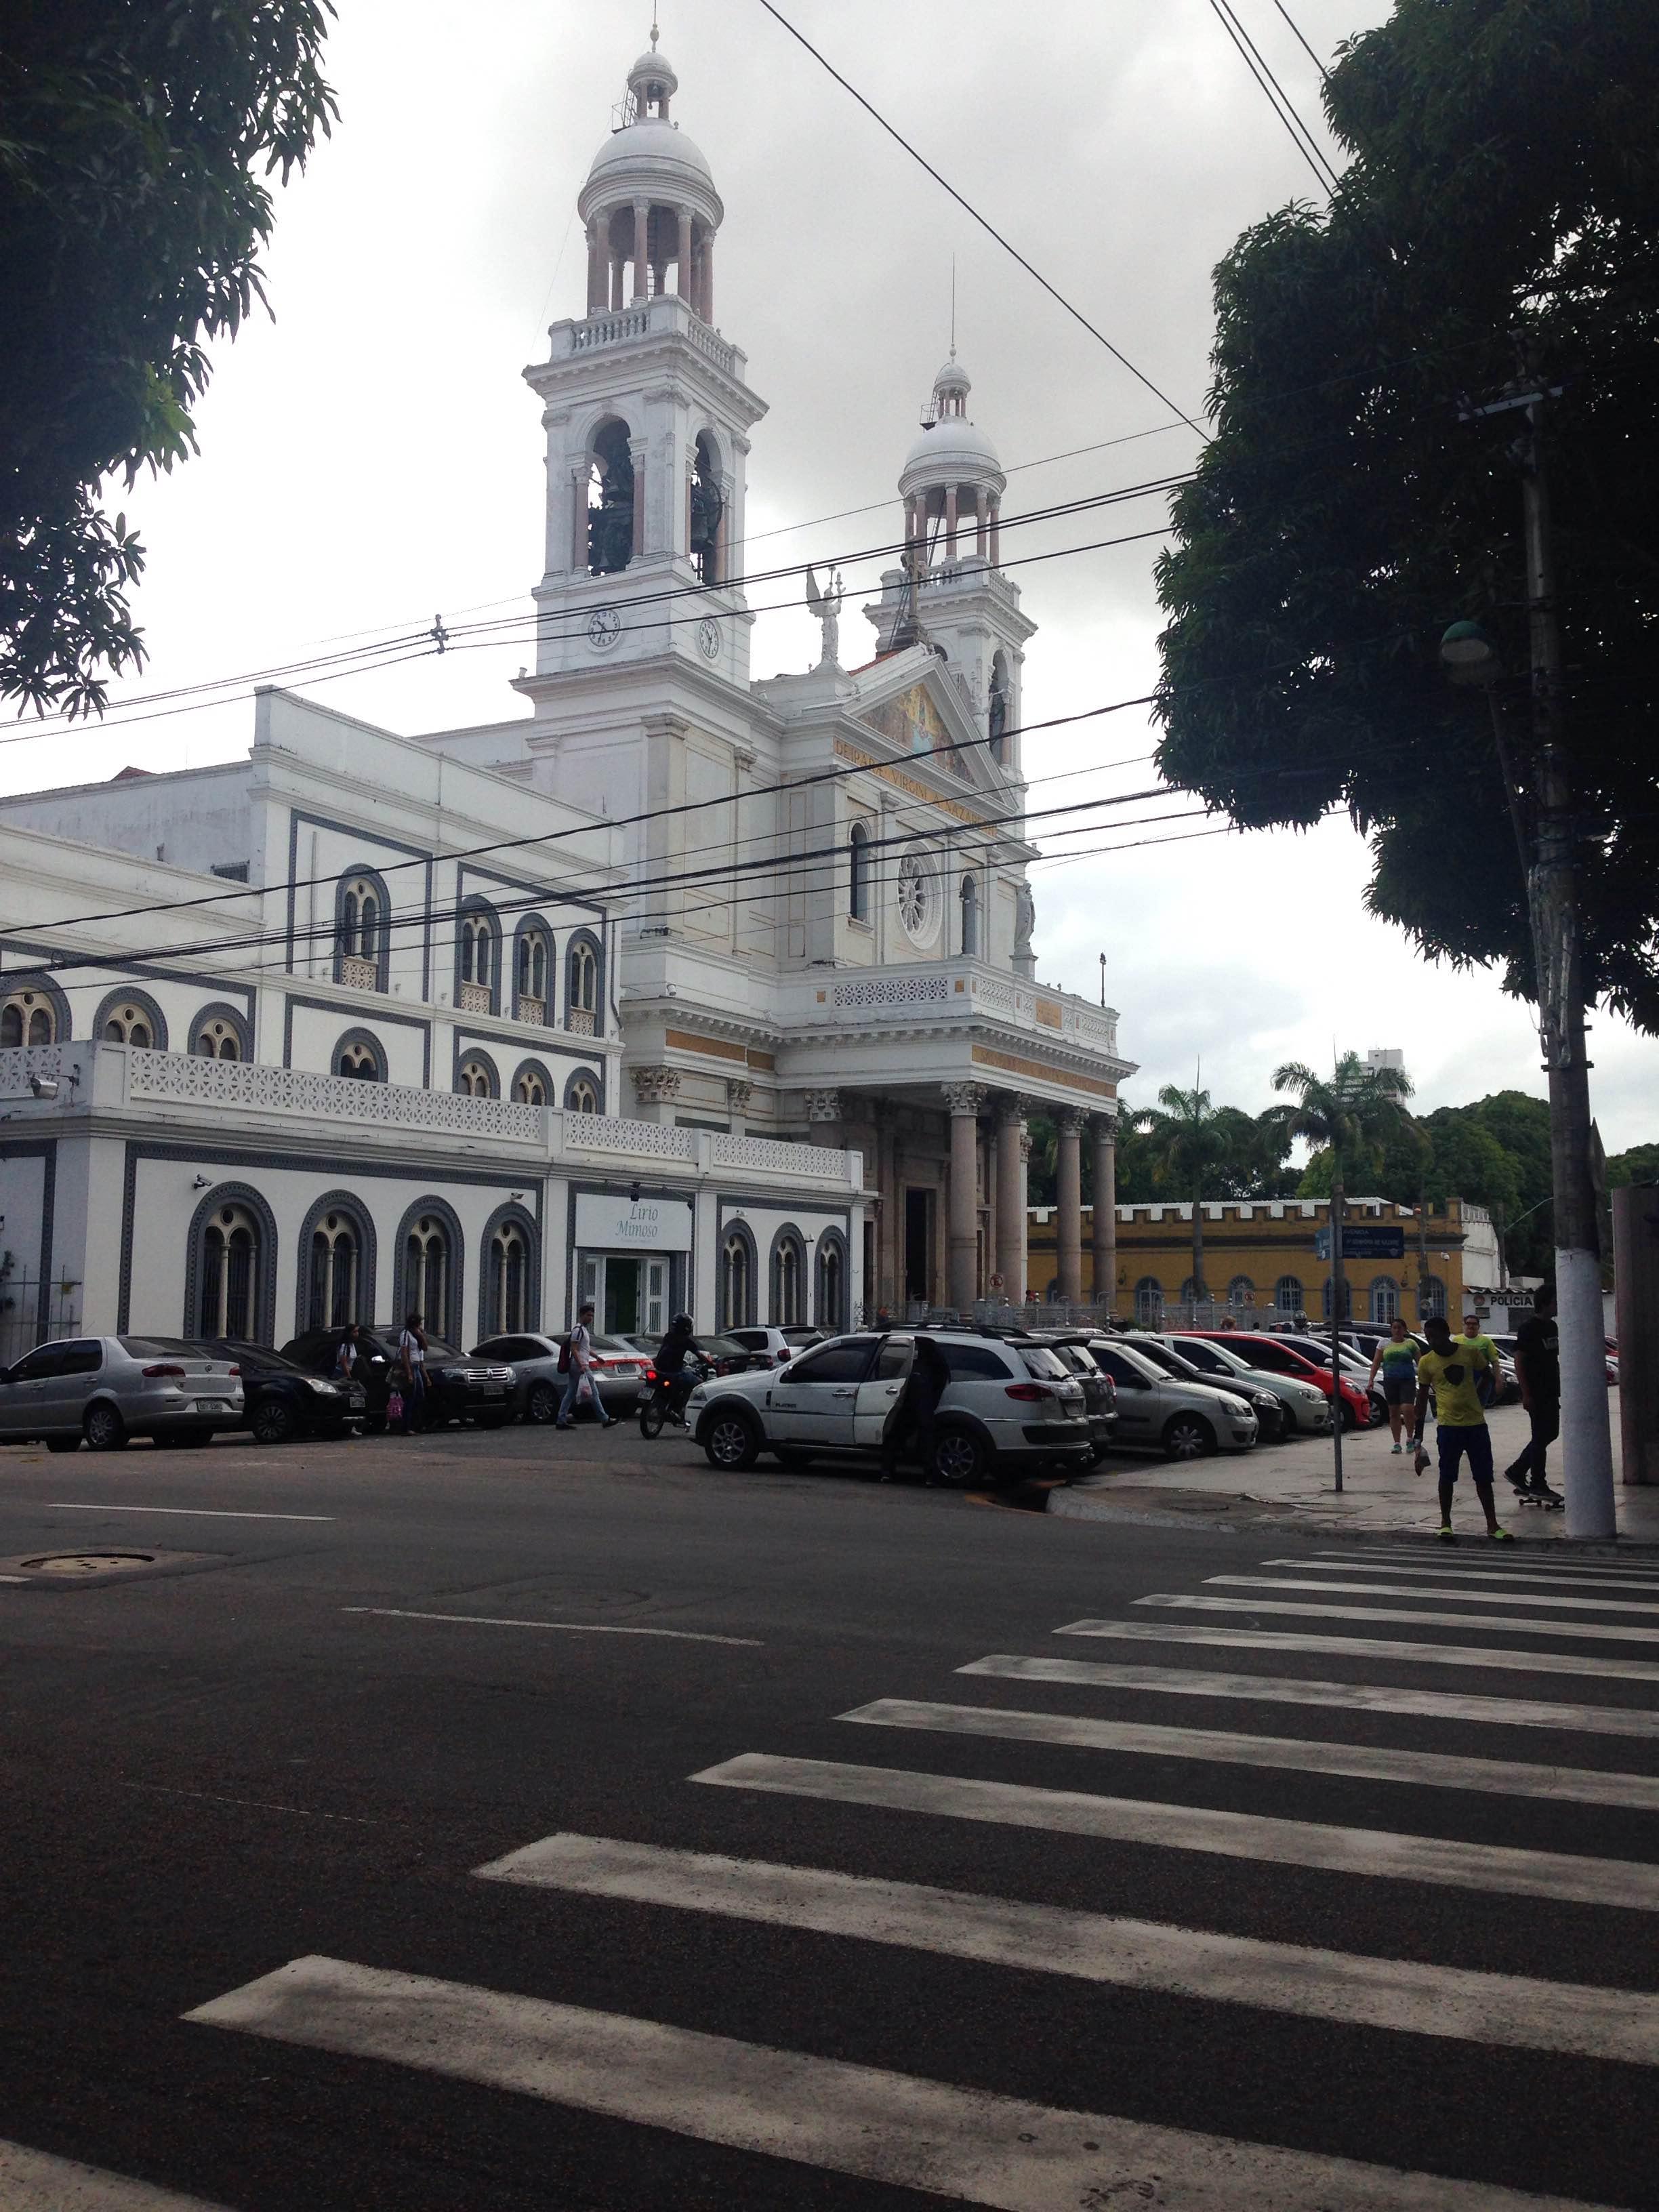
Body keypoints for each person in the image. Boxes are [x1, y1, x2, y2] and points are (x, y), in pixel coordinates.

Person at [1411, 1314, 1511, 1542]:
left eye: (1434, 1336)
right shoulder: (1427, 1363)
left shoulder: (1470, 1353)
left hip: (1475, 1425)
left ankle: (1492, 1524)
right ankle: (1445, 1523)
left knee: (1484, 1477)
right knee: (1447, 1476)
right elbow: (1422, 1398)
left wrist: (1480, 1397)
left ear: (1447, 1334)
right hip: (1448, 1427)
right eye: (1428, 1337)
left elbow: (1487, 1375)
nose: (1431, 1341)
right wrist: (1417, 1439)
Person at [1504, 1283, 1562, 1505]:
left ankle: (1518, 1470)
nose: (1558, 1305)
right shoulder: (1529, 1328)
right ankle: (1538, 1482)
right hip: (1536, 1391)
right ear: (1546, 1303)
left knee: (1549, 1433)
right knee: (1540, 1435)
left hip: (1550, 1389)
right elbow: (1519, 1361)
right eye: (1555, 1301)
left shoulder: (1552, 1327)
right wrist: (1526, 1393)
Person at [880, 1336, 949, 1482]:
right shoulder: (936, 1367)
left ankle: (888, 1472)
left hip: (909, 1409)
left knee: (894, 1437)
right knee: (925, 1442)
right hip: (923, 1409)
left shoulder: (917, 1367)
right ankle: (928, 1476)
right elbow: (939, 1387)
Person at [1366, 1317, 1420, 1453]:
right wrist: (1371, 1380)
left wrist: (1426, 1378)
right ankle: (1397, 1443)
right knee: (1394, 1412)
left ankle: (1409, 1438)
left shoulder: (1411, 1344)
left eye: (1400, 1328)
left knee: (1408, 1409)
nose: (1397, 1330)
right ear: (1391, 1329)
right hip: (1390, 1380)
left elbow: (1421, 1362)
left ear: (1404, 1330)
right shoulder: (1384, 1344)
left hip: (1407, 1380)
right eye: (1394, 1327)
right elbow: (1376, 1362)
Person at [558, 1301, 615, 1429]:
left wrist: (597, 1357)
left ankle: (561, 1420)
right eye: (589, 1315)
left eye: (592, 1316)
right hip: (579, 1365)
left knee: (571, 1393)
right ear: (582, 1315)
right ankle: (604, 1419)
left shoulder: (583, 1331)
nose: (591, 1318)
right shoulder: (578, 1331)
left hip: (580, 1364)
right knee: (594, 1392)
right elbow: (574, 1349)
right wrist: (582, 1365)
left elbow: (585, 1349)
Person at [653, 1311, 701, 1421]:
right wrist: (712, 1363)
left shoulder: (668, 1337)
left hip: (659, 1370)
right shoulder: (687, 1341)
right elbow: (700, 1355)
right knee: (696, 1382)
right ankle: (681, 1408)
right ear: (687, 1328)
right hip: (673, 1372)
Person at [1454, 1309, 1502, 1409]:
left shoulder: (1486, 1342)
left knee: (1479, 1407)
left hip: (1482, 1377)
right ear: (1464, 1325)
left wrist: (1498, 1381)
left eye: (1474, 1324)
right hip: (1462, 1378)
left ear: (1478, 1326)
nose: (1471, 1326)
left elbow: (1495, 1362)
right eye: (1468, 1324)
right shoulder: (1456, 1340)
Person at [397, 1311, 427, 1434]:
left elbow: (425, 1348)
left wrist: (420, 1335)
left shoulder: (417, 1335)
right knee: (410, 1397)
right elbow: (404, 1353)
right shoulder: (405, 1334)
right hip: (410, 1366)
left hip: (417, 1366)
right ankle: (406, 1426)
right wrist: (409, 1373)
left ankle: (417, 1424)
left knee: (420, 1396)